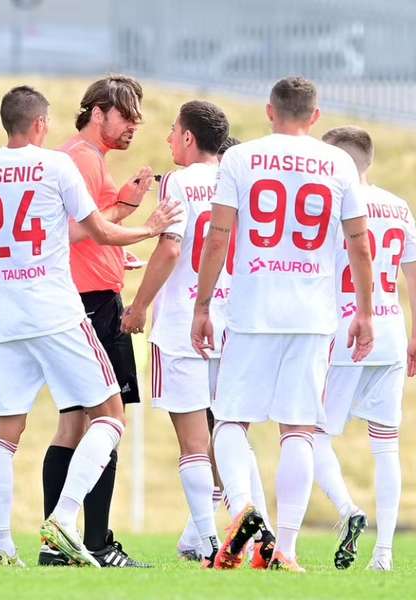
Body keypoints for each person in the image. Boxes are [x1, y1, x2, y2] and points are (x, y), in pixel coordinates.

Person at [0, 85, 181, 567]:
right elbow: (97, 229)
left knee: (4, 433)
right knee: (110, 416)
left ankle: (2, 547)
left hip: (6, 317)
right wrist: (152, 225)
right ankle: (63, 518)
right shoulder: (56, 165)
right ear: (40, 124)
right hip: (57, 311)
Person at [191, 76, 375, 572]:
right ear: (315, 118)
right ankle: (286, 549)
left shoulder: (240, 158)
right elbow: (360, 243)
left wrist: (203, 304)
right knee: (299, 429)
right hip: (312, 315)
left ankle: (244, 509)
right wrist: (365, 310)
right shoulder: (337, 163)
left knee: (230, 420)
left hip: (253, 309)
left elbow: (219, 235)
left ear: (270, 111)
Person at [120, 104, 275, 568]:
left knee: (192, 442)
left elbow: (170, 248)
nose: (168, 139)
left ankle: (209, 541)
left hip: (184, 321)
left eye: (172, 131)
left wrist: (139, 306)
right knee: (230, 434)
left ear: (188, 138)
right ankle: (248, 527)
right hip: (236, 323)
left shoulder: (178, 182)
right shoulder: (242, 181)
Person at [40, 75, 154, 568]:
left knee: (73, 423)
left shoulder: (80, 157)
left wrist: (116, 243)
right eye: (126, 115)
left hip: (78, 296)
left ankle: (56, 547)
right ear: (99, 110)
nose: (134, 126)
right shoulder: (82, 158)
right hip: (92, 305)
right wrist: (135, 216)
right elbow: (72, 228)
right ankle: (96, 542)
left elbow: (85, 229)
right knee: (109, 420)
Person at [313, 126, 416, 572]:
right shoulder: (398, 206)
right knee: (386, 446)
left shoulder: (331, 205)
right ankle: (385, 553)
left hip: (345, 330)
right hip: (392, 332)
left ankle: (347, 509)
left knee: (309, 432)